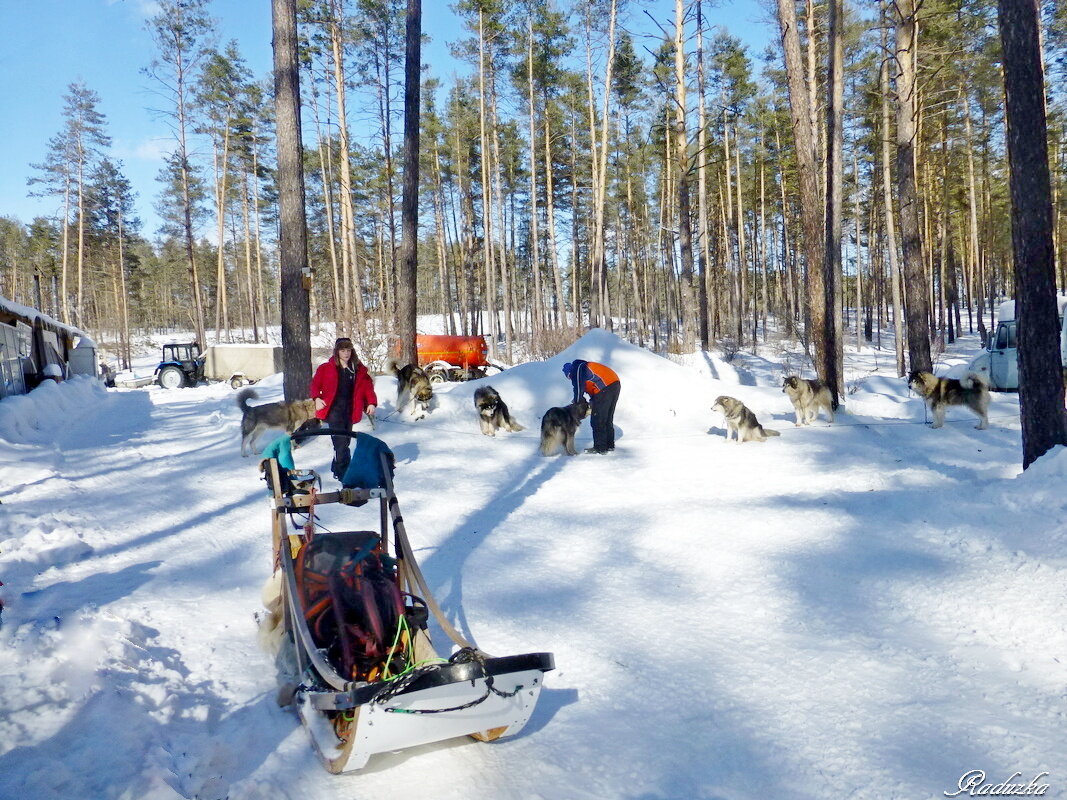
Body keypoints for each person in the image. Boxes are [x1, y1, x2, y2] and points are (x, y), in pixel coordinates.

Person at [310, 337, 377, 480]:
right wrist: (317, 398)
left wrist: (371, 402)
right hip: (334, 410)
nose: (346, 353)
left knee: (345, 441)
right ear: (337, 352)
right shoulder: (326, 368)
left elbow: (367, 388)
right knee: (340, 443)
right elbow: (315, 385)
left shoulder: (358, 369)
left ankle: (337, 466)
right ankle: (343, 473)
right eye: (342, 350)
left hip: (350, 410)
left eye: (348, 350)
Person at [562, 359, 620, 454]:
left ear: (569, 372)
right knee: (607, 417)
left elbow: (578, 389)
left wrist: (577, 402)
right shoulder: (585, 367)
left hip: (605, 386)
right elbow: (593, 391)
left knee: (597, 419)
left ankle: (600, 448)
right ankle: (609, 445)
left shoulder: (577, 370)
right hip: (614, 383)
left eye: (569, 377)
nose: (571, 379)